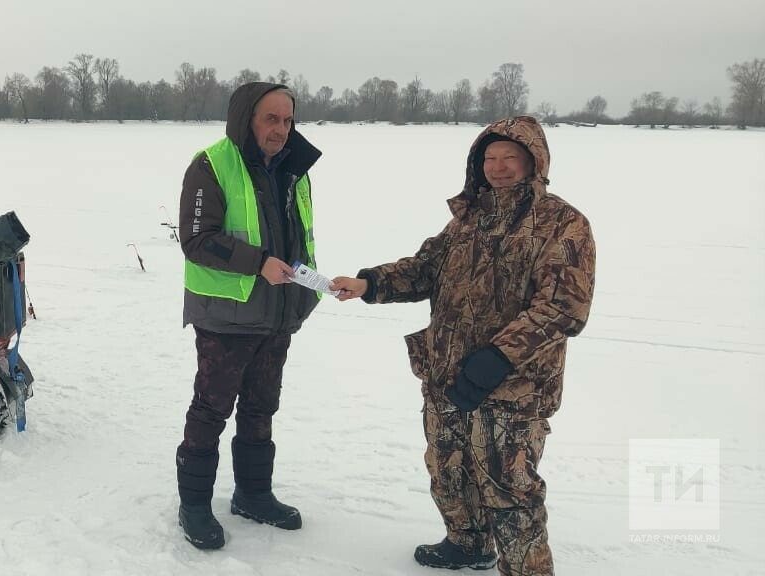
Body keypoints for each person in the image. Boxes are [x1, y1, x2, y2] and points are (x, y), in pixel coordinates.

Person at [329, 116, 595, 575]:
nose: (499, 166)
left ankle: (527, 570)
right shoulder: (469, 218)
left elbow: (564, 306)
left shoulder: (563, 223)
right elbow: (425, 269)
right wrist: (370, 283)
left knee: (508, 484)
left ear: (534, 161)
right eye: (490, 157)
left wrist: (499, 357)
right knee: (448, 467)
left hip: (514, 384)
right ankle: (467, 543)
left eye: (510, 157)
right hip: (448, 371)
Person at [174, 82, 323, 550]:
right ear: (246, 119)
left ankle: (253, 494)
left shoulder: (295, 170)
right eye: (270, 119)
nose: (280, 129)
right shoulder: (212, 164)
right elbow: (197, 238)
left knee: (261, 407)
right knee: (212, 408)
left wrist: (313, 284)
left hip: (278, 313)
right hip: (226, 317)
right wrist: (258, 262)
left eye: (287, 120)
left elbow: (298, 237)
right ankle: (194, 504)